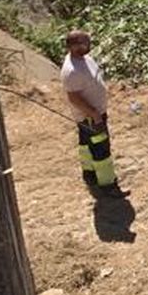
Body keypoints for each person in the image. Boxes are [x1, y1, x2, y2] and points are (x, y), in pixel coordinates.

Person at [61, 30, 118, 190]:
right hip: (91, 118)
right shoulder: (71, 71)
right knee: (101, 150)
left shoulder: (83, 58)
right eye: (85, 42)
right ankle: (108, 184)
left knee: (86, 145)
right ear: (75, 46)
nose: (89, 45)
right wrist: (95, 115)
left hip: (94, 115)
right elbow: (74, 98)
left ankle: (89, 174)